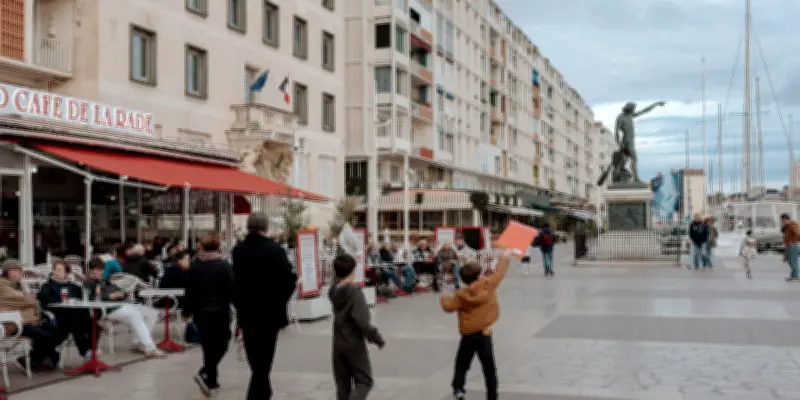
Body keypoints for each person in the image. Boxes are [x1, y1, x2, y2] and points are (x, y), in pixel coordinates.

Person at [232, 213, 297, 400]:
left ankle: (261, 393)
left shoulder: (239, 250)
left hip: (247, 311)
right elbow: (287, 280)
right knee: (266, 355)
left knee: (254, 355)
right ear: (266, 227)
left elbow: (236, 281)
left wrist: (238, 302)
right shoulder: (275, 250)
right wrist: (281, 300)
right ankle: (260, 394)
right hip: (270, 312)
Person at [440, 249, 512, 400]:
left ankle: (458, 389)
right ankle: (492, 394)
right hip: (484, 334)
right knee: (489, 366)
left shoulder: (461, 294)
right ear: (479, 275)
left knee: (461, 364)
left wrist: (444, 298)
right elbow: (499, 272)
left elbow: (449, 307)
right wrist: (504, 256)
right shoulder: (489, 285)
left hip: (467, 335)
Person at [329, 254, 385, 400]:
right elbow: (363, 322)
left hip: (338, 343)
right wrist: (377, 338)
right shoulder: (355, 294)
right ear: (353, 270)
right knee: (364, 380)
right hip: (353, 343)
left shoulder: (334, 290)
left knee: (343, 386)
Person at [84, 258, 166, 358]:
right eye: (98, 270)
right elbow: (90, 299)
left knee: (152, 314)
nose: (101, 272)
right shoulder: (88, 283)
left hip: (120, 304)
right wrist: (109, 296)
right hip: (107, 310)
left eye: (102, 270)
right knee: (134, 315)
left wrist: (121, 293)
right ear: (91, 270)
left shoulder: (104, 280)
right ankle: (150, 348)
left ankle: (137, 343)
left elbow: (116, 289)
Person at [185, 234, 235, 396]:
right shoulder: (224, 265)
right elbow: (231, 289)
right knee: (223, 343)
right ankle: (207, 373)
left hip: (201, 311)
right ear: (218, 246)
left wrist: (187, 311)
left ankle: (211, 379)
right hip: (220, 311)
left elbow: (189, 290)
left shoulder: (196, 265)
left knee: (207, 345)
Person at [0, 259, 66, 373]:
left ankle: (32, 358)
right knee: (44, 336)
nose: (17, 274)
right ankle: (52, 357)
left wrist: (30, 301)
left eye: (19, 271)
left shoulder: (17, 285)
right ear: (6, 272)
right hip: (13, 324)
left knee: (59, 331)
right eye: (13, 271)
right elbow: (27, 300)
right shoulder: (2, 284)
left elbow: (31, 301)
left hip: (28, 321)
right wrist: (30, 301)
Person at [36, 261, 93, 360]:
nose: (56, 272)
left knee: (91, 321)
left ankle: (90, 350)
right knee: (76, 322)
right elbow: (44, 301)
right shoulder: (47, 286)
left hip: (74, 316)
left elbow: (81, 303)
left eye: (59, 270)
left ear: (66, 272)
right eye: (55, 269)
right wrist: (61, 301)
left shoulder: (75, 287)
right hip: (57, 316)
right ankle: (87, 352)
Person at [781, 213, 800, 281]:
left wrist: (794, 242)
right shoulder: (787, 226)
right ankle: (793, 276)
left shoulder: (792, 225)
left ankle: (796, 277)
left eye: (782, 220)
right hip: (789, 246)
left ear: (785, 219)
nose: (782, 221)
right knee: (790, 261)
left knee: (793, 261)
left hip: (793, 246)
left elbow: (798, 234)